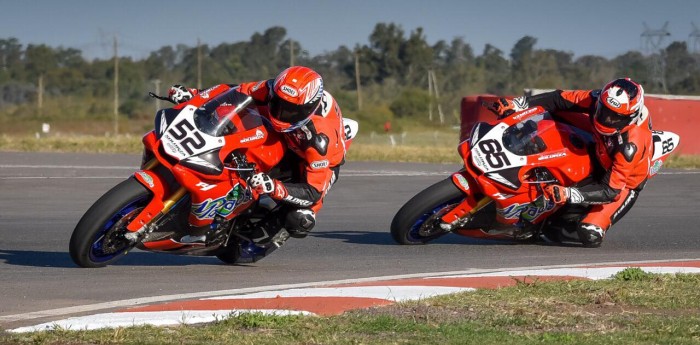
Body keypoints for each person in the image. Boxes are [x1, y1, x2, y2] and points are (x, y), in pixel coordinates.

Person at [168, 66, 347, 245]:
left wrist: (274, 187)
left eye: (290, 110)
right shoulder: (271, 88)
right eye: (277, 103)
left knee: (299, 218)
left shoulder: (320, 141)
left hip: (311, 160)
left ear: (307, 110)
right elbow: (234, 92)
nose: (280, 112)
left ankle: (261, 236)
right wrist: (195, 95)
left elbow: (313, 192)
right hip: (283, 135)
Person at [489, 78, 653, 247]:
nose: (607, 120)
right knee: (556, 111)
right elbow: (559, 98)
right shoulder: (596, 99)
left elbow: (611, 190)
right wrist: (518, 104)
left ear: (630, 117)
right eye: (604, 111)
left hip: (623, 184)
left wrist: (568, 194)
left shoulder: (630, 146)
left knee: (589, 233)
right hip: (599, 145)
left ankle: (564, 217)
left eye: (615, 117)